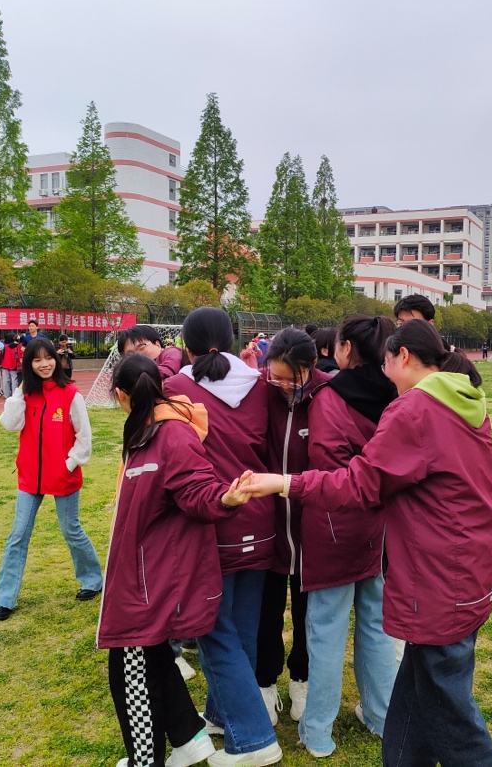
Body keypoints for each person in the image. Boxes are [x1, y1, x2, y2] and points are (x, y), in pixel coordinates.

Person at [240, 319, 492, 767]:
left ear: (403, 356)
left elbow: (358, 483)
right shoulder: (463, 397)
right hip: (470, 564)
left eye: (388, 361)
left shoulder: (414, 408)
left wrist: (284, 483)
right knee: (412, 693)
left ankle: (322, 729)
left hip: (440, 574)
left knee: (450, 712)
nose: (383, 371)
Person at [98, 353, 250, 767]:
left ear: (121, 395)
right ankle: (188, 737)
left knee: (129, 662)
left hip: (153, 574)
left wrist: (225, 498)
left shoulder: (172, 434)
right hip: (144, 568)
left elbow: (197, 489)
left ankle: (145, 759)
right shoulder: (146, 429)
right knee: (150, 653)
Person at [163, 307, 283, 767]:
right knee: (242, 627)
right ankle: (222, 714)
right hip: (261, 515)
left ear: (187, 344)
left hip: (211, 519)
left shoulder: (176, 388)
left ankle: (253, 739)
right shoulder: (260, 384)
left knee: (212, 629)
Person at [298, 315, 399, 756]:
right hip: (382, 524)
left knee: (326, 628)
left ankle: (318, 730)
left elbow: (325, 463)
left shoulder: (330, 397)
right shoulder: (399, 395)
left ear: (346, 349)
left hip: (334, 522)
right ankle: (382, 716)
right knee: (376, 624)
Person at [0, 337, 102, 622]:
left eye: (49, 357)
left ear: (57, 359)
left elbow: (84, 438)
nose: (44, 364)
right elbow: (9, 424)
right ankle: (4, 599)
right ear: (28, 364)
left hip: (63, 476)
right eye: (37, 360)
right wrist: (20, 391)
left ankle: (92, 579)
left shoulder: (70, 394)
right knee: (18, 535)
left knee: (70, 530)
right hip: (30, 477)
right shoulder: (26, 395)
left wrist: (68, 464)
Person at [257, 329, 332, 727]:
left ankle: (301, 678)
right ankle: (265, 681)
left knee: (308, 612)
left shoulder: (328, 394)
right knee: (267, 609)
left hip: (311, 524)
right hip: (268, 522)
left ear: (312, 366)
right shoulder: (260, 390)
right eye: (277, 376)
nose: (283, 385)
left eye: (292, 378)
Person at [119, 325, 185, 380]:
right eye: (130, 354)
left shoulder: (171, 352)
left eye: (141, 348)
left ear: (157, 344)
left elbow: (169, 368)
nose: (137, 355)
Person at [1, 332, 23, 398]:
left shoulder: (6, 346)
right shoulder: (19, 346)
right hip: (13, 365)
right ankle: (14, 394)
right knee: (14, 380)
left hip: (5, 364)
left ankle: (6, 394)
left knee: (6, 380)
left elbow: (3, 355)